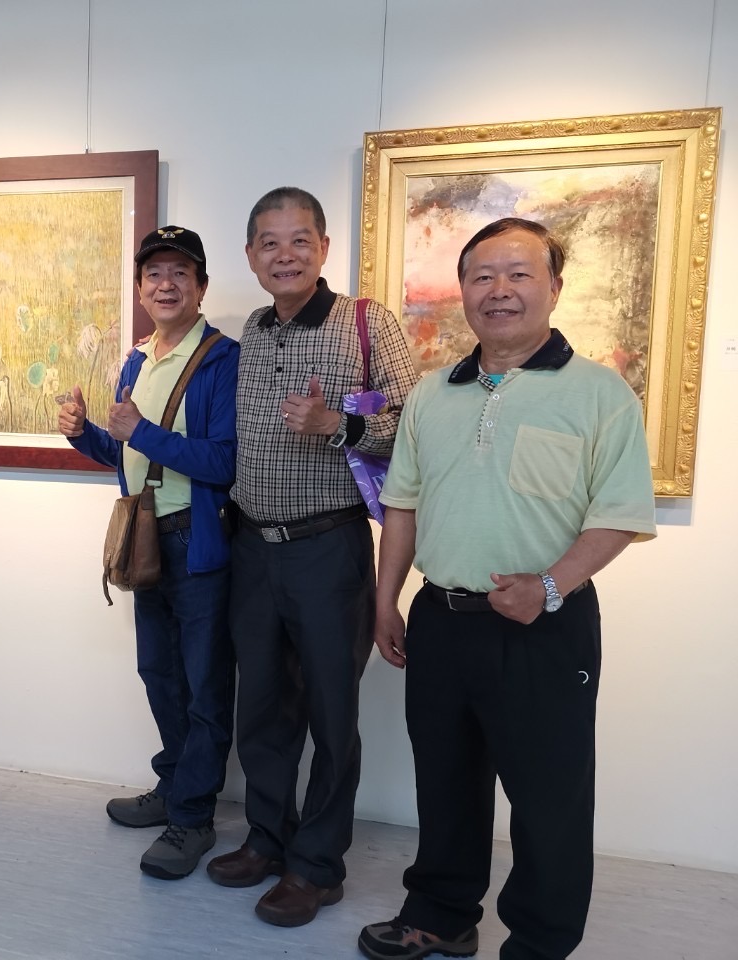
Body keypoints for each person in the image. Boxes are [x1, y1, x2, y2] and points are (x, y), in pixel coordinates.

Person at [358, 218, 656, 960]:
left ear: (554, 287)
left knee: (550, 797)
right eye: (482, 276)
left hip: (544, 625)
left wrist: (550, 586)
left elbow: (619, 515)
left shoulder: (600, 394)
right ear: (462, 291)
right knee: (445, 782)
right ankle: (442, 913)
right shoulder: (433, 394)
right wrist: (385, 599)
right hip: (441, 619)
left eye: (519, 274)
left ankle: (540, 943)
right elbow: (403, 505)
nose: (499, 290)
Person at [207, 188, 418, 925]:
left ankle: (317, 866)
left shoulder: (367, 321)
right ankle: (268, 839)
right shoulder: (255, 327)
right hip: (252, 548)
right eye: (269, 243)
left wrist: (338, 424)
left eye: (300, 240)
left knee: (331, 713)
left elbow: (413, 423)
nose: (285, 254)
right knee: (262, 709)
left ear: (324, 248)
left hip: (329, 548)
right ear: (250, 256)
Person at [59, 225, 239, 879]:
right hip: (145, 539)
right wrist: (84, 434)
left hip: (195, 545)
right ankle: (173, 784)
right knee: (159, 674)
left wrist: (143, 432)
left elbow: (223, 463)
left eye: (179, 273)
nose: (166, 285)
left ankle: (193, 817)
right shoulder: (137, 360)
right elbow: (127, 451)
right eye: (154, 274)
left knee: (204, 687)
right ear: (139, 288)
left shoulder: (221, 359)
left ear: (201, 287)